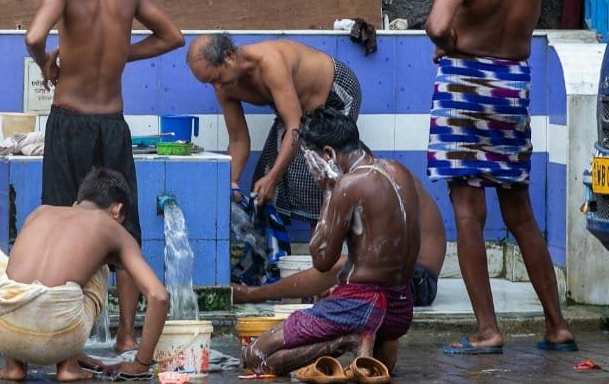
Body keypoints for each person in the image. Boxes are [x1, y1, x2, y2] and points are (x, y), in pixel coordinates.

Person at [424, 0, 576, 354]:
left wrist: (449, 45)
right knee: (521, 212)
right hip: (513, 85)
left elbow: (436, 26)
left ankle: (488, 331)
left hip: (466, 86)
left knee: (468, 214)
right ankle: (557, 326)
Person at [25, 0, 184, 351]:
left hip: (70, 121)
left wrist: (47, 65)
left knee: (58, 222)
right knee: (124, 230)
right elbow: (173, 36)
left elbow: (33, 37)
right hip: (113, 124)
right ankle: (128, 335)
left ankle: (59, 338)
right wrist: (120, 51)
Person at [242, 108, 419, 375]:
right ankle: (362, 337)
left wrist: (328, 190)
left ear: (327, 155)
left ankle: (347, 339)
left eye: (308, 158)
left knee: (254, 356)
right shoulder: (398, 170)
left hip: (361, 305)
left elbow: (322, 261)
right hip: (401, 306)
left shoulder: (348, 185)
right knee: (379, 367)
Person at [0, 167, 169, 382]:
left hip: (3, 331)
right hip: (63, 331)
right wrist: (141, 363)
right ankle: (68, 367)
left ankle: (14, 367)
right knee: (97, 263)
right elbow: (159, 296)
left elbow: (26, 278)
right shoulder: (111, 227)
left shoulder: (40, 212)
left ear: (78, 201)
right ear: (117, 210)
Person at [186, 34, 362, 222]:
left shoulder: (270, 63)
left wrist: (273, 178)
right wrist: (232, 181)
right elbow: (238, 139)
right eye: (210, 83)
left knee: (313, 174)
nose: (218, 87)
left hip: (333, 94)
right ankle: (277, 248)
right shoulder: (223, 87)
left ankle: (326, 249)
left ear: (229, 56)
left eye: (218, 78)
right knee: (262, 183)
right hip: (297, 112)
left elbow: (294, 127)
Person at [232, 168, 445, 308]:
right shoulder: (374, 176)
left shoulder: (382, 182)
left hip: (418, 282)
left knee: (344, 264)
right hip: (398, 276)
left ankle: (254, 294)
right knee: (346, 266)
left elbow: (332, 258)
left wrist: (328, 194)